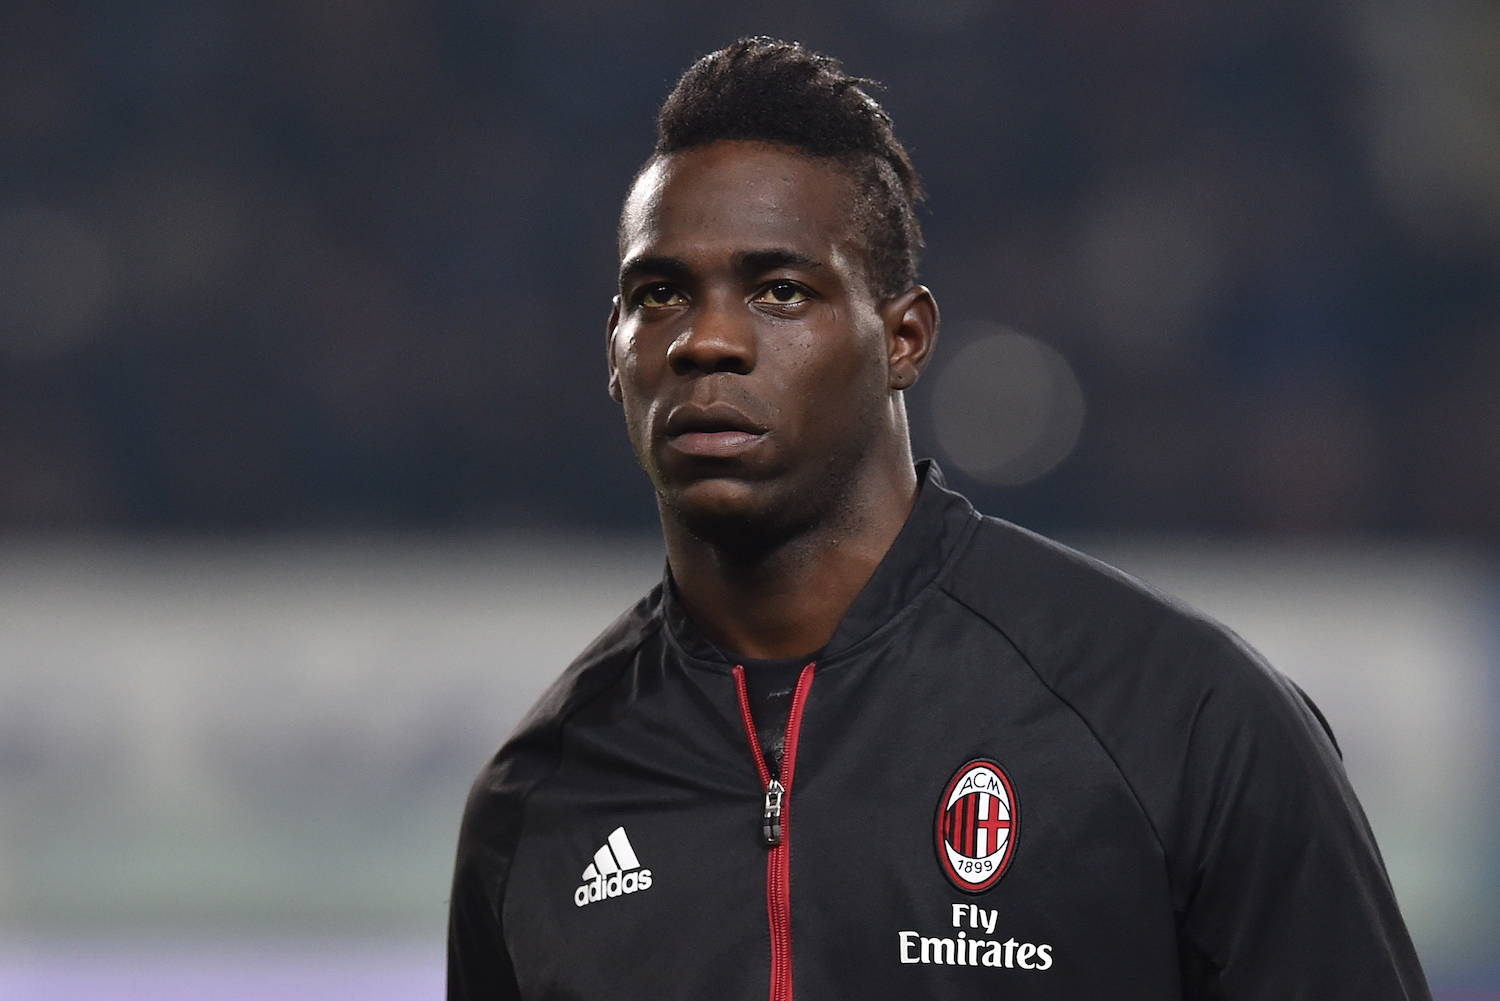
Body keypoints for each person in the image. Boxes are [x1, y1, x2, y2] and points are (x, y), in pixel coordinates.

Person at [447, 37, 1430, 1001]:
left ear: (905, 337)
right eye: (659, 294)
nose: (708, 338)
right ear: (615, 353)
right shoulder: (538, 800)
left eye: (779, 290)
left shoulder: (1181, 720)